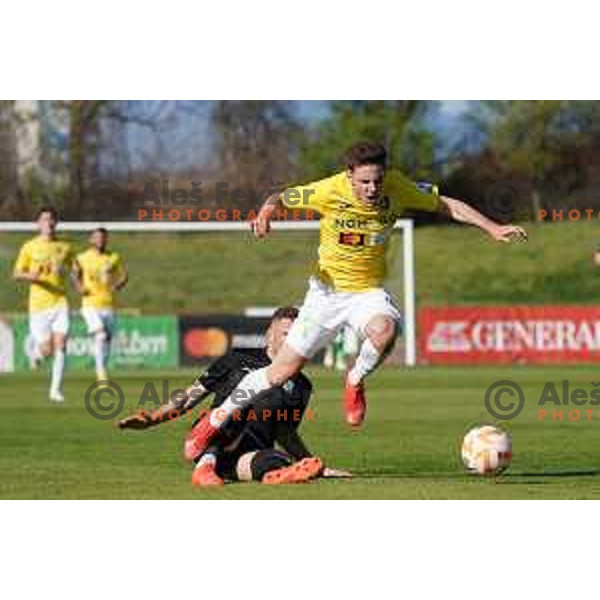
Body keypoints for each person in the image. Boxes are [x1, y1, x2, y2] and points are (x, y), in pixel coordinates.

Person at [185, 141, 528, 459]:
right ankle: (212, 422)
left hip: (367, 292)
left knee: (385, 329)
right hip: (325, 294)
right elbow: (280, 196)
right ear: (349, 174)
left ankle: (355, 378)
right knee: (279, 372)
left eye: (377, 181)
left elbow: (446, 203)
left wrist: (492, 227)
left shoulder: (397, 185)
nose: (372, 189)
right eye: (364, 182)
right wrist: (264, 214)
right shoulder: (328, 189)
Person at [119, 306, 350, 486]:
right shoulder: (236, 359)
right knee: (241, 393)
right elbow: (192, 395)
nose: (290, 341)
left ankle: (269, 475)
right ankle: (207, 457)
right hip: (216, 438)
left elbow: (285, 433)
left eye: (295, 336)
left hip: (244, 457)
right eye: (285, 334)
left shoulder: (301, 384)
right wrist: (153, 418)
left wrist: (314, 465)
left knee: (274, 460)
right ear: (269, 335)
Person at [13, 206, 74, 402]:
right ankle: (37, 354)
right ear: (38, 224)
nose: (48, 222)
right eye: (45, 219)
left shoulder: (65, 247)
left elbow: (75, 268)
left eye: (51, 219)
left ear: (56, 223)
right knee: (47, 350)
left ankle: (55, 390)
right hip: (38, 305)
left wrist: (75, 278)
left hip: (59, 301)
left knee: (61, 344)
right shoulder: (29, 247)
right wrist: (30, 276)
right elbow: (16, 273)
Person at [72, 228, 128, 382]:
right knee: (100, 334)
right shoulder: (81, 257)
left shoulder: (113, 257)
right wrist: (79, 287)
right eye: (97, 238)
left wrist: (117, 286)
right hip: (90, 304)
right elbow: (74, 275)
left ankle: (102, 367)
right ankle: (100, 372)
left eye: (103, 238)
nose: (100, 240)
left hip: (108, 304)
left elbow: (124, 275)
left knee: (107, 339)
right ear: (90, 240)